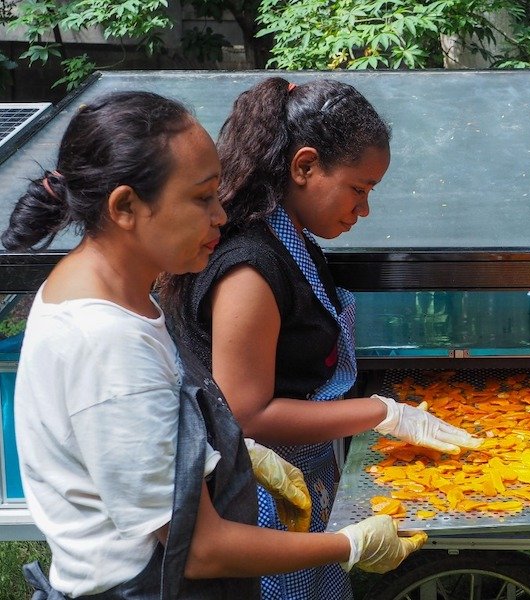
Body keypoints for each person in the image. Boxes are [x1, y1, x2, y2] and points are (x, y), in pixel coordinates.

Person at [3, 91, 425, 599]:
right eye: (202, 198)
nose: (221, 216)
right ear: (126, 207)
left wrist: (231, 450)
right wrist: (349, 543)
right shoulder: (108, 347)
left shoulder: (117, 300)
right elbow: (202, 550)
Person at [157, 77, 482, 600]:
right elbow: (245, 412)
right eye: (359, 189)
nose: (364, 210)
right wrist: (384, 414)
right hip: (256, 498)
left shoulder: (292, 242)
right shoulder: (250, 268)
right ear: (304, 167)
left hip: (299, 475)